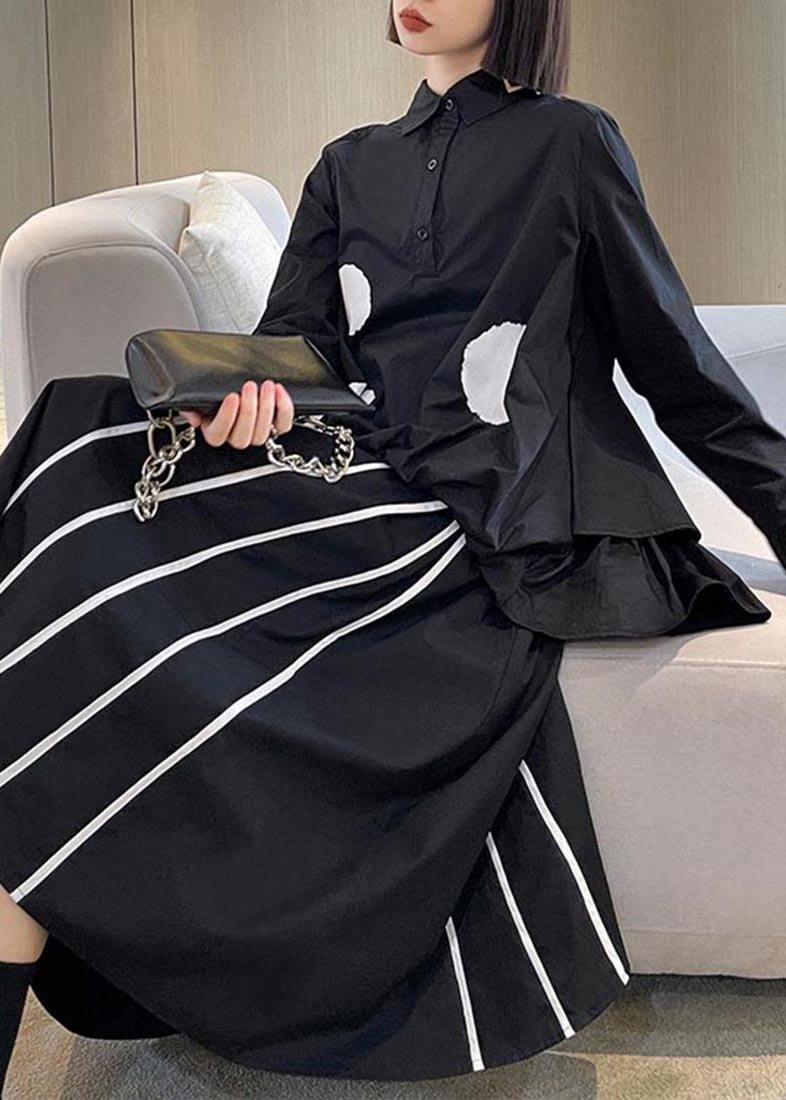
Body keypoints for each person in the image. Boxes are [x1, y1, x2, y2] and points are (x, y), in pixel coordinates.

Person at [1, 0, 785, 1087]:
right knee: (75, 434)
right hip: (362, 468)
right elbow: (299, 346)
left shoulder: (571, 141)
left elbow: (677, 366)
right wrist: (254, 398)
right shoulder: (348, 163)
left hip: (497, 509)